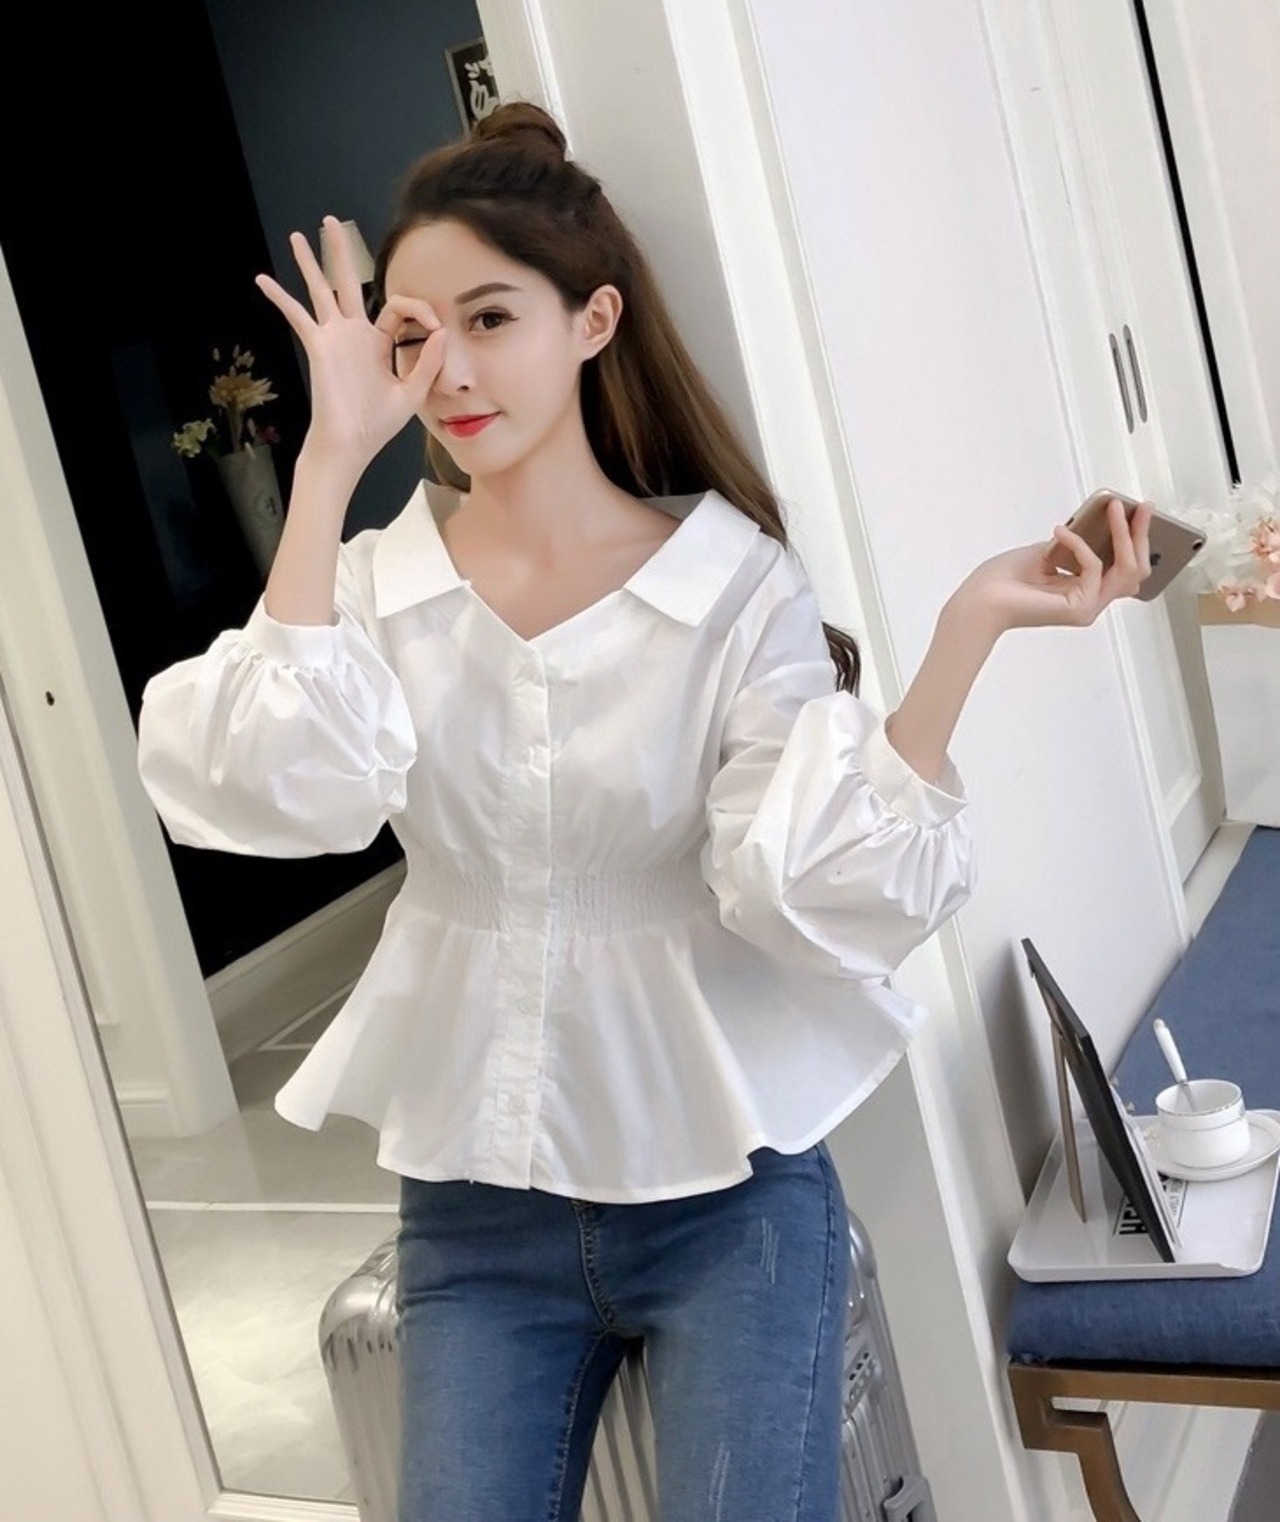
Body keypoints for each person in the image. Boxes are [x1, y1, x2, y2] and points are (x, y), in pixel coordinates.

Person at [136, 101, 1151, 1522]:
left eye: (494, 319)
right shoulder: (367, 584)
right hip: (475, 1215)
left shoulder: (732, 586)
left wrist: (968, 629)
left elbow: (798, 882)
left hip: (728, 1204)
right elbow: (273, 782)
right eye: (416, 334)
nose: (452, 370)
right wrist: (324, 465)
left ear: (594, 319)